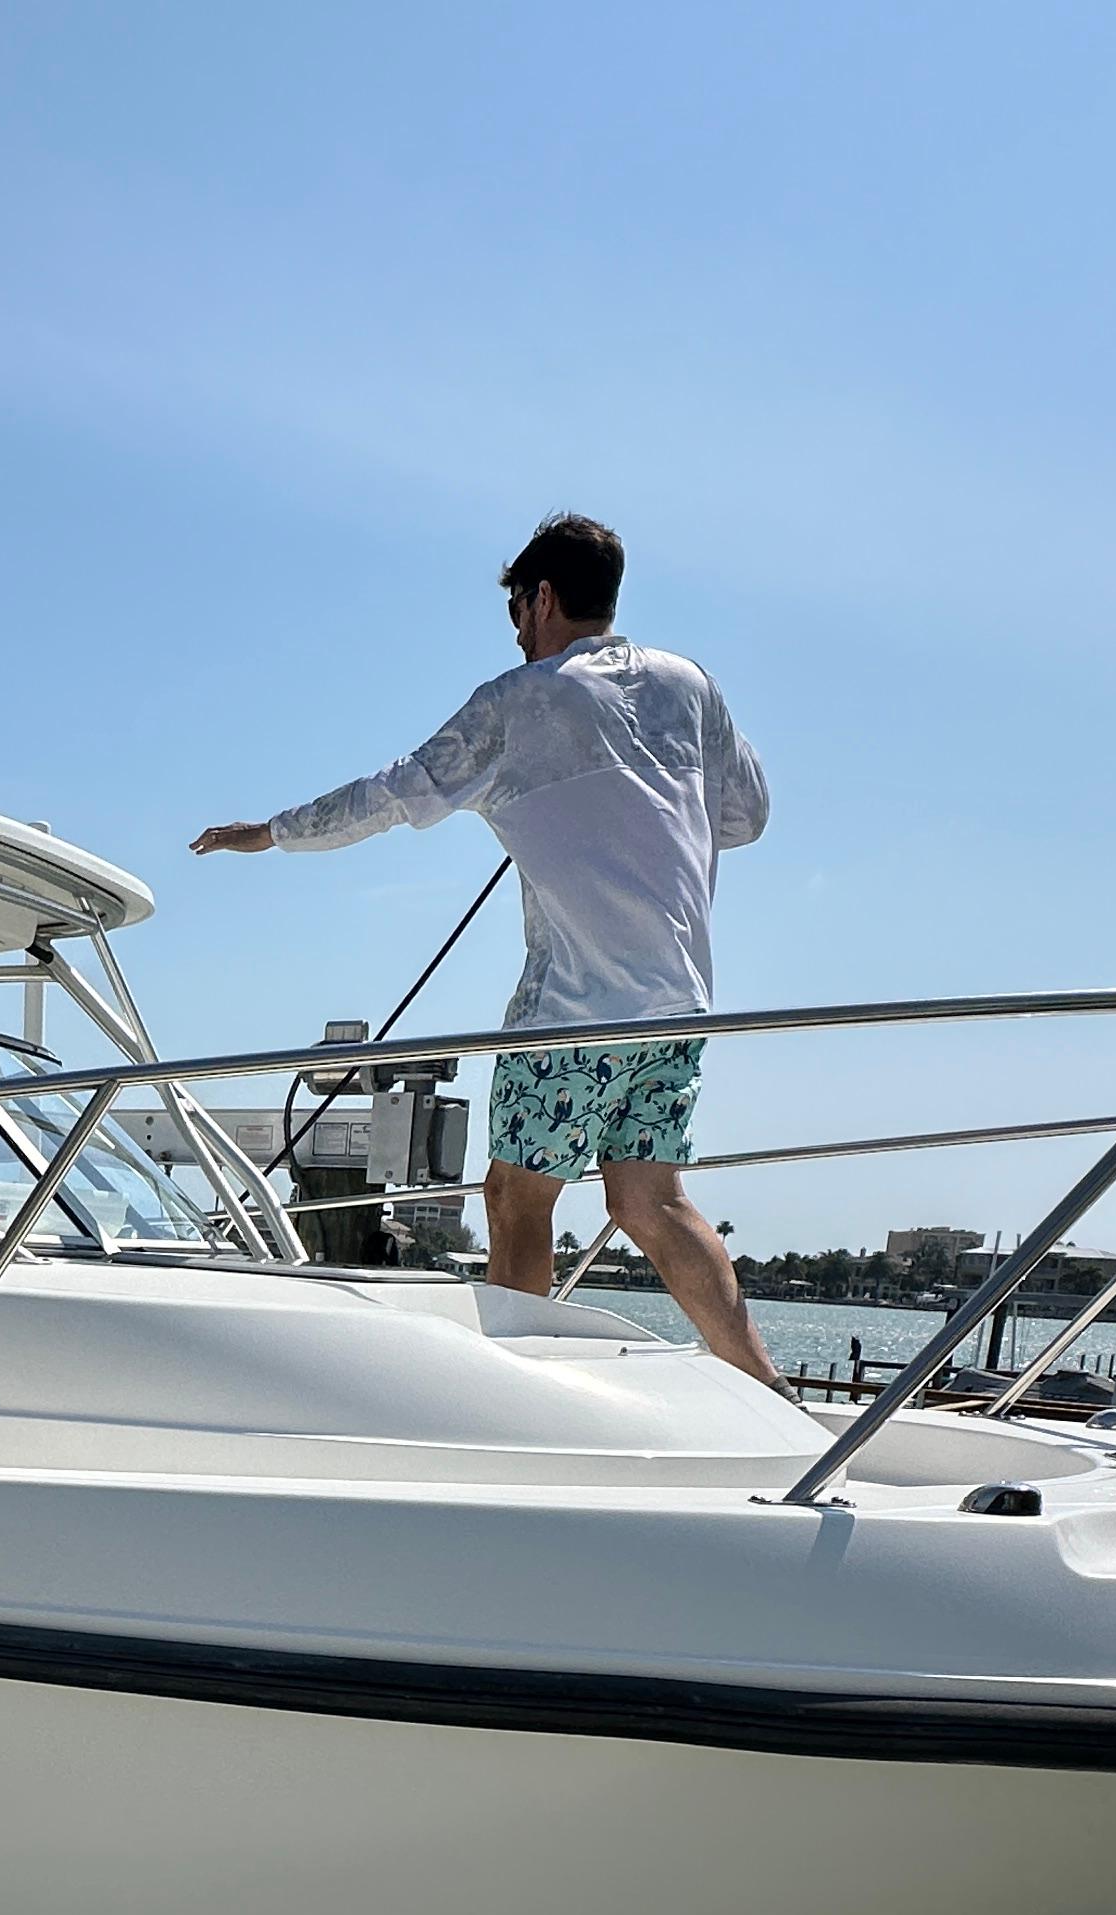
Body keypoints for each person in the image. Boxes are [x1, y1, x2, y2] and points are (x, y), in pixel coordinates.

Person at [196, 513, 781, 1382]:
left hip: (574, 1011)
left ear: (541, 597)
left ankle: (524, 1396)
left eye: (516, 606)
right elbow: (745, 817)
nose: (515, 629)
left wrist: (270, 832)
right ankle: (763, 1385)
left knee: (516, 1198)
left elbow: (389, 795)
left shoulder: (520, 700)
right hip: (679, 1002)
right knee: (650, 1201)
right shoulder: (688, 684)